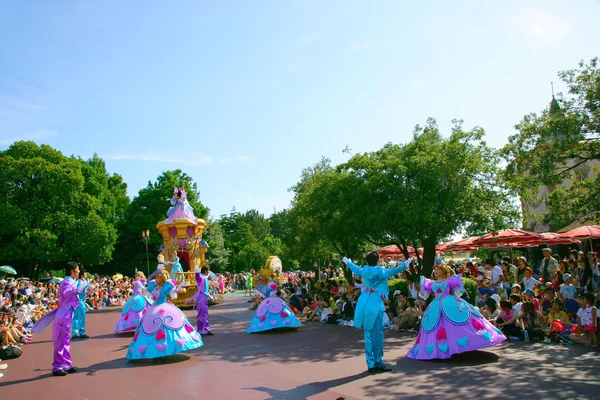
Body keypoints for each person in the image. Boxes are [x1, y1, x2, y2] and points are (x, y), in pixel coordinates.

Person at [407, 260, 506, 360]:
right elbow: (424, 293)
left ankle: (462, 344)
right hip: (436, 305)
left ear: (443, 270)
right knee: (435, 325)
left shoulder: (449, 281)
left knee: (456, 321)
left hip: (449, 303)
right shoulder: (430, 283)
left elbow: (457, 291)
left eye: (438, 269)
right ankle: (440, 349)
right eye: (435, 270)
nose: (436, 271)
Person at [342, 252, 411, 373]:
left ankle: (371, 363)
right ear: (378, 260)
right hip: (375, 302)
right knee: (378, 333)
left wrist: (348, 262)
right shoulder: (380, 270)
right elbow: (391, 272)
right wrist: (404, 265)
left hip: (364, 300)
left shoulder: (364, 269)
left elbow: (356, 269)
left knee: (367, 333)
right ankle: (378, 361)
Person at [126, 270, 203, 360]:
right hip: (154, 309)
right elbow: (144, 290)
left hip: (164, 309)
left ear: (162, 279)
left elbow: (175, 291)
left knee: (166, 327)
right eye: (157, 277)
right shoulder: (154, 287)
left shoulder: (165, 288)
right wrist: (139, 283)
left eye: (158, 277)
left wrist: (181, 285)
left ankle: (165, 350)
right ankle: (156, 350)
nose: (156, 279)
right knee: (151, 328)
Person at [32, 262, 88, 376]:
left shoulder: (72, 281)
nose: (79, 271)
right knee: (60, 341)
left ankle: (67, 364)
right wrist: (78, 290)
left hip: (67, 313)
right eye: (77, 269)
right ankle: (57, 367)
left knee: (66, 340)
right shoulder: (66, 282)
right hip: (63, 314)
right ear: (72, 270)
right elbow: (67, 293)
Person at [192, 266, 213, 336]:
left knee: (205, 314)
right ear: (206, 271)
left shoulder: (205, 278)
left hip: (205, 297)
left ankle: (207, 330)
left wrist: (209, 295)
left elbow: (205, 289)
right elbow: (197, 278)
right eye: (208, 270)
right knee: (201, 314)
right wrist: (197, 272)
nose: (209, 272)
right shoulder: (201, 277)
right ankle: (200, 330)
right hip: (201, 297)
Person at [71, 267, 90, 340]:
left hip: (76, 300)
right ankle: (81, 332)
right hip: (79, 300)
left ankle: (74, 333)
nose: (86, 276)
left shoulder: (77, 282)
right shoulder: (81, 282)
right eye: (85, 274)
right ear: (82, 275)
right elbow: (79, 290)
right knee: (82, 316)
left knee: (75, 317)